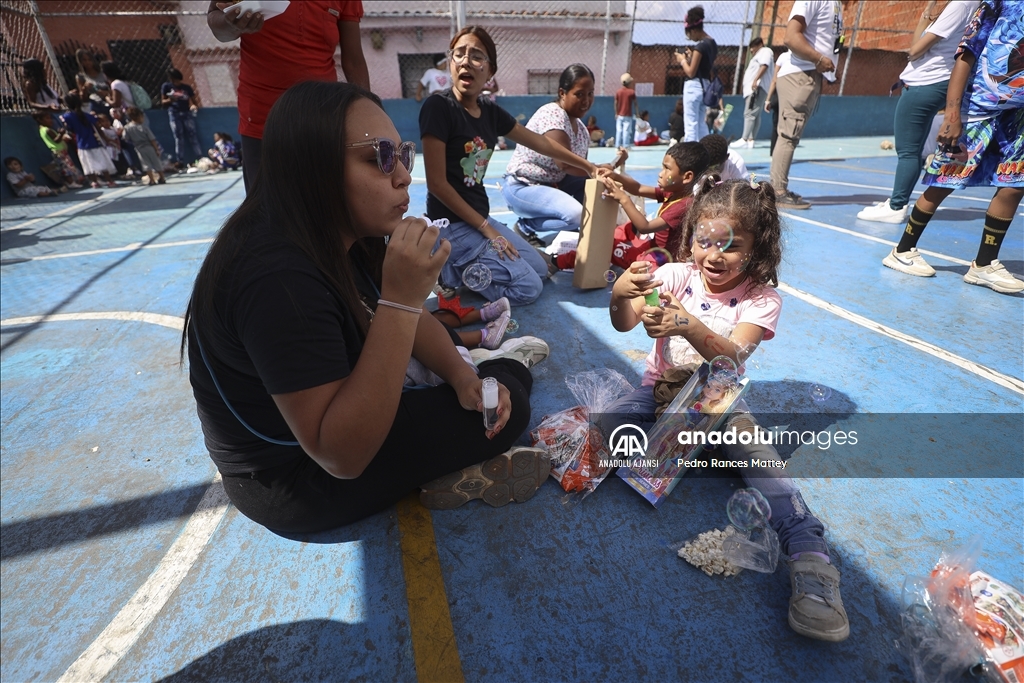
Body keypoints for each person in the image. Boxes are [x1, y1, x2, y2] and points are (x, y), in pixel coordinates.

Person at [183, 81, 551, 532]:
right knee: (512, 383)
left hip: (324, 434)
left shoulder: (339, 232)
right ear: (313, 168)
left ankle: (473, 374)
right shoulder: (275, 278)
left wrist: (462, 377)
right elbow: (341, 455)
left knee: (481, 381)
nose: (401, 176)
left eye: (402, 155)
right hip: (296, 477)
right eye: (379, 157)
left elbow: (412, 319)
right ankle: (457, 458)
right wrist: (401, 298)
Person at [603, 176, 850, 643]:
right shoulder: (675, 276)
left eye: (730, 247)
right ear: (690, 235)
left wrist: (688, 323)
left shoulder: (762, 299)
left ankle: (810, 557)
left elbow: (732, 359)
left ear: (758, 250)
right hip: (660, 396)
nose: (713, 256)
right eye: (704, 241)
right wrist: (620, 292)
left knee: (763, 466)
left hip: (718, 406)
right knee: (603, 425)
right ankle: (557, 452)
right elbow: (624, 323)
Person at [420, 27, 600, 307]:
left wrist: (590, 167)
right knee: (527, 288)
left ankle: (453, 267)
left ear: (490, 71)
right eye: (459, 54)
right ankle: (446, 266)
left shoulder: (489, 111)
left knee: (541, 271)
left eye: (477, 56)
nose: (466, 61)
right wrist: (487, 230)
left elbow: (543, 144)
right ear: (451, 62)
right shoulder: (438, 107)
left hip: (479, 218)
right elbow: (437, 185)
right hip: (453, 224)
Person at [881, 0, 1023, 295]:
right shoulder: (998, 3)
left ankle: (984, 265)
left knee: (1014, 183)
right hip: (978, 110)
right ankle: (902, 251)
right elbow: (965, 56)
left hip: (1018, 116)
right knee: (944, 179)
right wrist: (952, 114)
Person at [207, 0, 370, 192]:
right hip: (262, 122)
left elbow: (353, 60)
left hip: (321, 122)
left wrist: (370, 117)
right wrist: (231, 23)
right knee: (266, 213)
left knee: (325, 209)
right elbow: (217, 21)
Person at [857, 0, 979, 224]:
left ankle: (896, 207)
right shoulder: (969, 5)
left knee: (907, 151)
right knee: (914, 151)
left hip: (926, 83)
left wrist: (927, 12)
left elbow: (914, 49)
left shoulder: (960, 4)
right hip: (937, 81)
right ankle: (898, 200)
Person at [549, 142, 710, 273]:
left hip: (660, 261)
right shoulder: (675, 192)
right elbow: (638, 188)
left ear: (687, 177)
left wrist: (623, 198)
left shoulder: (683, 205)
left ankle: (557, 262)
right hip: (654, 247)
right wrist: (615, 175)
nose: (661, 173)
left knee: (608, 246)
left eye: (667, 168)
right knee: (624, 229)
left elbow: (645, 227)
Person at [501, 64, 605, 247]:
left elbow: (581, 173)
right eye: (579, 94)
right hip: (523, 186)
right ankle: (525, 227)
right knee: (576, 215)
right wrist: (598, 168)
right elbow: (565, 164)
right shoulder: (553, 114)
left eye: (590, 94)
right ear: (562, 93)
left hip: (552, 184)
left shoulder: (581, 130)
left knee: (596, 187)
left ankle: (590, 228)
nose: (586, 100)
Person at [770, 0, 843, 209]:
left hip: (810, 74)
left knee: (790, 135)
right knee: (789, 135)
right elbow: (791, 37)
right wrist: (819, 59)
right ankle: (777, 191)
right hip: (801, 74)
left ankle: (778, 188)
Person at [673, 5, 718, 142]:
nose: (689, 37)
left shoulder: (700, 46)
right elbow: (704, 65)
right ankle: (707, 154)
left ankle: (691, 158)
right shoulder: (712, 43)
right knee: (701, 124)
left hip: (693, 87)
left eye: (689, 34)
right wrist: (692, 58)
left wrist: (682, 61)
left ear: (693, 30)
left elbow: (691, 72)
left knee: (691, 125)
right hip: (705, 86)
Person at [61, 92, 117, 188]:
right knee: (102, 161)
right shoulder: (87, 115)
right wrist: (106, 139)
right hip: (94, 141)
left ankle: (94, 181)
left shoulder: (67, 117)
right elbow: (98, 128)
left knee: (88, 164)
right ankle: (109, 181)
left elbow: (69, 128)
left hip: (81, 144)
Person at [733, 36, 775, 149]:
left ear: (760, 45)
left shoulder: (765, 51)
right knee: (755, 115)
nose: (751, 50)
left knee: (749, 113)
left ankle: (744, 138)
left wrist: (756, 80)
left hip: (757, 88)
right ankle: (751, 139)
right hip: (755, 89)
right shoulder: (759, 54)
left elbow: (764, 65)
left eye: (753, 47)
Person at [161, 68, 203, 167]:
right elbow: (163, 101)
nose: (176, 82)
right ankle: (180, 161)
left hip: (187, 113)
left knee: (192, 135)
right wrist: (171, 100)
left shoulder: (186, 88)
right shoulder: (166, 86)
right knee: (178, 137)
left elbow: (194, 101)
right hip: (174, 113)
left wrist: (194, 106)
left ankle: (200, 158)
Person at [32, 111, 84, 189]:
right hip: (59, 152)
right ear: (40, 120)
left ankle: (75, 180)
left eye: (50, 118)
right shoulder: (47, 130)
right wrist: (61, 134)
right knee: (65, 168)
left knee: (68, 166)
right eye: (47, 118)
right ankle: (71, 182)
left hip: (61, 151)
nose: (50, 120)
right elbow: (56, 140)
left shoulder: (44, 130)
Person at [122, 106, 166, 185]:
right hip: (149, 147)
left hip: (139, 148)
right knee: (156, 162)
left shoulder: (127, 127)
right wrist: (157, 149)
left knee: (146, 164)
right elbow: (152, 139)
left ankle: (151, 180)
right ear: (139, 116)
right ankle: (162, 178)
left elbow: (125, 138)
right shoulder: (143, 127)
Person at [764, 51, 791, 156]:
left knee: (776, 127)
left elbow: (774, 80)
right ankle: (783, 154)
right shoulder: (804, 57)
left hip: (780, 96)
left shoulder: (783, 57)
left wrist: (768, 99)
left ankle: (774, 153)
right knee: (788, 127)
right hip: (792, 97)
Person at [75, 49, 110, 115]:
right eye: (84, 60)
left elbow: (114, 88)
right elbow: (83, 97)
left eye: (89, 60)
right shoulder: (81, 76)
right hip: (95, 104)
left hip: (109, 100)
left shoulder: (102, 72)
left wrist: (106, 93)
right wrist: (85, 88)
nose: (87, 62)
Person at [614, 73, 639, 148]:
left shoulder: (618, 92)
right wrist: (637, 113)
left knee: (619, 130)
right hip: (628, 115)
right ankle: (626, 145)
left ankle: (617, 145)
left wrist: (616, 113)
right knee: (626, 131)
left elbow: (615, 103)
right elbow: (635, 104)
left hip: (620, 115)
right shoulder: (631, 92)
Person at [703, 67, 725, 133]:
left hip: (711, 108)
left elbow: (719, 97)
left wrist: (722, 109)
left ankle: (712, 134)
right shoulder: (717, 83)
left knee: (709, 123)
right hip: (710, 108)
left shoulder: (711, 83)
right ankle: (712, 133)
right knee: (709, 123)